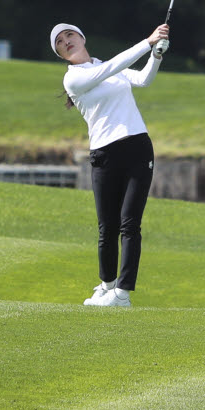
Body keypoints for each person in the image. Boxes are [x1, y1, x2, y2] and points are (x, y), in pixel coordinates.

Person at [50, 22, 170, 307]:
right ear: (60, 54)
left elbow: (142, 80)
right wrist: (148, 41)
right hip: (104, 154)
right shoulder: (74, 79)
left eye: (70, 35)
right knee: (107, 226)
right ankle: (107, 286)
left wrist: (156, 56)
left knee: (130, 223)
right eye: (60, 42)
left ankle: (122, 293)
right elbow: (113, 67)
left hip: (138, 146)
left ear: (82, 37)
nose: (66, 41)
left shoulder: (107, 67)